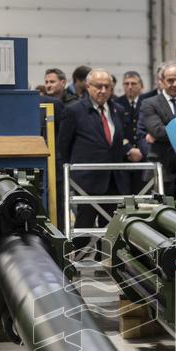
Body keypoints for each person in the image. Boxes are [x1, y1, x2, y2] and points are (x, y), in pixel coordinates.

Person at [58, 69, 143, 237]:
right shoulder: (73, 111)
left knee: (111, 229)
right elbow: (63, 147)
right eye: (98, 86)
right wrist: (75, 174)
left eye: (107, 87)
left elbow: (118, 141)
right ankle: (79, 254)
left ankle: (106, 254)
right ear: (88, 86)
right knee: (84, 228)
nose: (103, 91)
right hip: (87, 181)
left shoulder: (118, 110)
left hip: (114, 180)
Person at [139, 62, 176, 195]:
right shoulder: (149, 103)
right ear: (161, 81)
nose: (175, 84)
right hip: (162, 169)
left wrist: (167, 132)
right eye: (170, 80)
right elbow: (158, 132)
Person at [114, 71, 147, 194]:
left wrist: (142, 150)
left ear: (141, 85)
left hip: (144, 156)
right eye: (126, 84)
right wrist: (128, 149)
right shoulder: (116, 104)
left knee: (143, 194)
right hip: (124, 157)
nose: (130, 87)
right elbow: (115, 131)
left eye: (133, 83)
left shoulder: (148, 103)